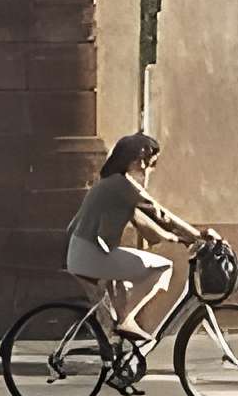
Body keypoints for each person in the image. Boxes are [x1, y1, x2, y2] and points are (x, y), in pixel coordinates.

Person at [64, 132, 201, 377]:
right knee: (162, 268)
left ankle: (120, 355)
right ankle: (126, 321)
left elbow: (146, 224)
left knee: (124, 288)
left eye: (151, 164)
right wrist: (201, 236)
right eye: (146, 162)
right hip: (91, 253)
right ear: (134, 159)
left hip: (85, 252)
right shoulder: (122, 184)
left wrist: (177, 238)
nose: (147, 169)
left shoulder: (111, 184)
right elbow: (161, 214)